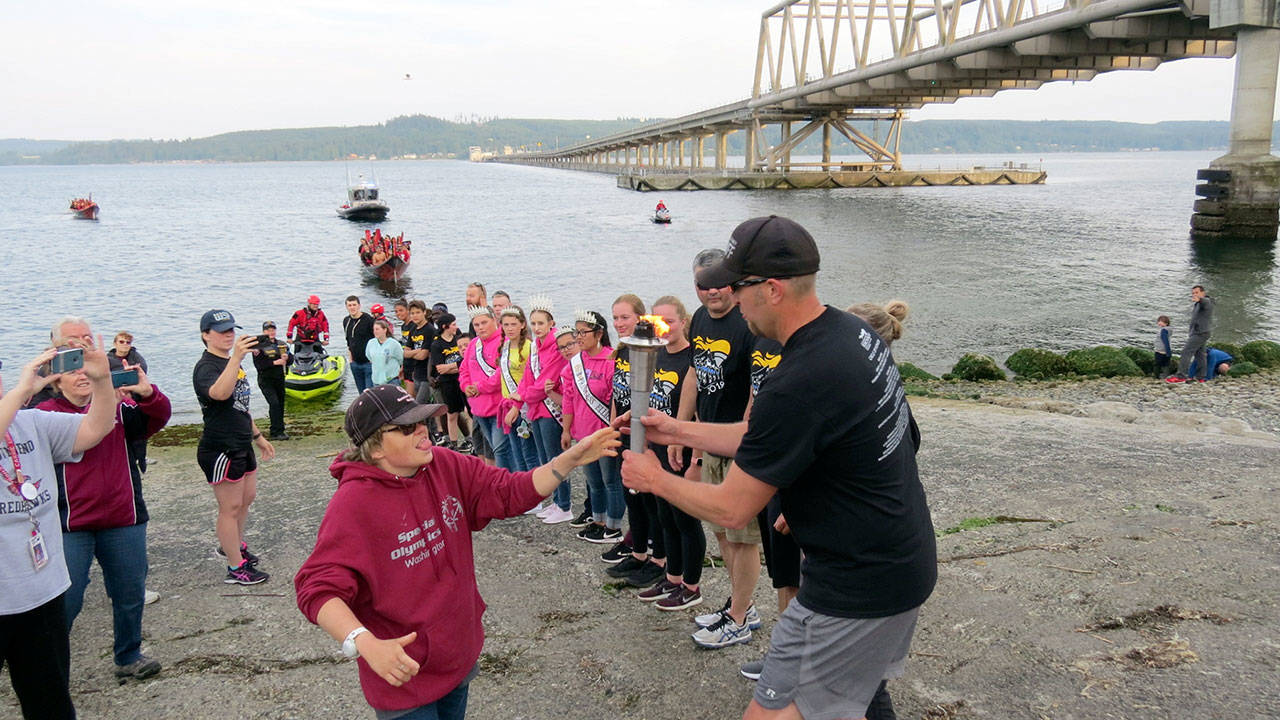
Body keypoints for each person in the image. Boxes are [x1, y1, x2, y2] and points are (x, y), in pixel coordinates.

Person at [620, 216, 937, 720]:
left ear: (769, 289)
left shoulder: (800, 377)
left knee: (772, 712)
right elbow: (784, 438)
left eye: (734, 287)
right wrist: (677, 430)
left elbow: (731, 507)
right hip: (901, 559)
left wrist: (654, 479)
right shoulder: (851, 332)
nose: (727, 297)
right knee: (860, 695)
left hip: (856, 582)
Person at [293, 385, 620, 720]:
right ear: (375, 448)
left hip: (456, 654)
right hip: (403, 675)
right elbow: (317, 588)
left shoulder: (444, 464)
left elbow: (509, 492)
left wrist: (571, 459)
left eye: (421, 420)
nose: (423, 430)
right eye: (407, 428)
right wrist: (363, 642)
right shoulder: (353, 504)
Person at [39, 355, 171, 683]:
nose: (82, 376)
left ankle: (128, 656)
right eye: (72, 371)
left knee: (129, 592)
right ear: (56, 381)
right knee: (66, 597)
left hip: (123, 516)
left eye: (87, 370)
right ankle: (46, 664)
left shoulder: (119, 406)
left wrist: (147, 392)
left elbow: (157, 418)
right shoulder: (44, 415)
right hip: (70, 523)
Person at [1, 343, 116, 720]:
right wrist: (22, 392)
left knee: (49, 702)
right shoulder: (18, 406)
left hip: (41, 593)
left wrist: (102, 382)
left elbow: (95, 429)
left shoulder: (27, 421)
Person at [683, 246, 764, 649]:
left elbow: (757, 386)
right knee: (722, 533)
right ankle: (741, 604)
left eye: (721, 285)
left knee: (743, 535)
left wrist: (743, 437)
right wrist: (684, 431)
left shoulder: (747, 323)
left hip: (738, 445)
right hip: (709, 438)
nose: (713, 292)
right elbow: (696, 374)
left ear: (734, 285)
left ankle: (740, 615)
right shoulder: (699, 319)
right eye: (703, 285)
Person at [615, 296, 700, 601]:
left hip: (684, 451)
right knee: (665, 518)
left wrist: (697, 460)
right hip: (659, 451)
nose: (664, 328)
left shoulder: (692, 358)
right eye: (658, 322)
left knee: (685, 520)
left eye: (671, 321)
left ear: (683, 322)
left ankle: (691, 587)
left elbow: (698, 411)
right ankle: (672, 577)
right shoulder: (657, 354)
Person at [193, 309, 276, 585]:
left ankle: (234, 544)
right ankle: (234, 567)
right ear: (206, 335)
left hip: (241, 441)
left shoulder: (231, 363)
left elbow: (241, 407)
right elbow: (219, 394)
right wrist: (237, 357)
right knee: (229, 506)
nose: (229, 335)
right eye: (221, 331)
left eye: (231, 330)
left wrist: (258, 437)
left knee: (246, 498)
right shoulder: (206, 367)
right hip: (219, 447)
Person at [559, 310, 619, 544]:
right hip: (582, 433)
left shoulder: (611, 360)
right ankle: (598, 520)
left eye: (583, 332)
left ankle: (613, 526)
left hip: (604, 432)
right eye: (577, 332)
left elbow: (616, 398)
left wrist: (613, 429)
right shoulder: (575, 364)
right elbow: (568, 398)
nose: (579, 337)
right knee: (593, 481)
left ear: (599, 333)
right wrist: (566, 429)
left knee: (610, 481)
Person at [515, 299, 572, 524]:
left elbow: (547, 379)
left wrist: (525, 395)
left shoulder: (556, 347)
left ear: (551, 323)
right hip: (536, 408)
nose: (537, 327)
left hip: (550, 410)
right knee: (545, 459)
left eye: (541, 323)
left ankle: (565, 505)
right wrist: (521, 396)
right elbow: (529, 375)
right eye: (533, 323)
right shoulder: (535, 346)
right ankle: (557, 501)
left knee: (556, 458)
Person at [459, 306, 506, 468]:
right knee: (490, 449)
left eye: (484, 323)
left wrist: (480, 387)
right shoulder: (473, 344)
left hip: (499, 408)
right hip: (478, 409)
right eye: (476, 324)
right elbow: (464, 369)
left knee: (501, 451)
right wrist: (465, 386)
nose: (480, 327)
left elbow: (502, 374)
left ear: (494, 321)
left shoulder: (504, 342)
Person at [497, 307, 538, 475]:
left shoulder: (529, 347)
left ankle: (536, 494)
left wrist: (517, 405)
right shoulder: (504, 346)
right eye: (506, 324)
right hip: (507, 404)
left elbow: (530, 379)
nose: (510, 328)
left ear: (522, 325)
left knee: (529, 453)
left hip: (523, 407)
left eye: (514, 324)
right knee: (517, 453)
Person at [108, 331, 152, 474]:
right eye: (121, 342)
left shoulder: (135, 357)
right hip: (117, 401)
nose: (125, 345)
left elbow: (143, 370)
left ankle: (142, 458)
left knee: (140, 433)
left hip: (136, 400)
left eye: (128, 342)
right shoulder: (108, 359)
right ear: (115, 343)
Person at [429, 314, 472, 453]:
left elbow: (467, 361)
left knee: (469, 411)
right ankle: (454, 443)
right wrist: (458, 365)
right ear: (444, 326)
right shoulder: (437, 344)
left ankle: (471, 439)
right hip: (447, 383)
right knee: (452, 414)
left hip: (462, 380)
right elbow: (440, 369)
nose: (456, 326)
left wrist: (453, 366)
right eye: (453, 324)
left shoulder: (458, 339)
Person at [1168, 285, 1214, 383]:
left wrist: (1199, 299)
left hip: (1200, 332)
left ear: (1203, 293)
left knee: (1186, 352)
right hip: (1200, 332)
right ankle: (1201, 377)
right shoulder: (1198, 303)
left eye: (1197, 292)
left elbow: (1204, 302)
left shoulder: (1207, 301)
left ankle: (1181, 376)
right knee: (1200, 355)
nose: (1194, 295)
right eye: (1193, 293)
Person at [252, 321, 290, 441]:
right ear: (264, 332)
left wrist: (287, 358)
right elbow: (259, 365)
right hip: (266, 379)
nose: (271, 332)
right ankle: (275, 431)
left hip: (279, 378)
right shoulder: (259, 346)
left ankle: (280, 429)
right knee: (274, 403)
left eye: (273, 329)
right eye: (268, 330)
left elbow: (291, 359)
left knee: (280, 403)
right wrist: (274, 362)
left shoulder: (281, 344)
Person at [344, 296, 376, 394]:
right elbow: (348, 340)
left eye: (354, 305)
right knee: (361, 394)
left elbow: (377, 340)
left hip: (368, 363)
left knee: (370, 394)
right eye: (349, 305)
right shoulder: (346, 320)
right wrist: (351, 360)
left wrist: (374, 359)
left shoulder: (369, 320)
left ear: (359, 306)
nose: (352, 307)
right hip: (355, 363)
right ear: (346, 307)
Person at [367, 319, 405, 386]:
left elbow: (401, 359)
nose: (375, 332)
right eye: (374, 330)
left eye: (377, 329)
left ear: (385, 330)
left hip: (391, 379)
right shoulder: (371, 343)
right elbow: (369, 356)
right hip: (377, 380)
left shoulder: (394, 343)